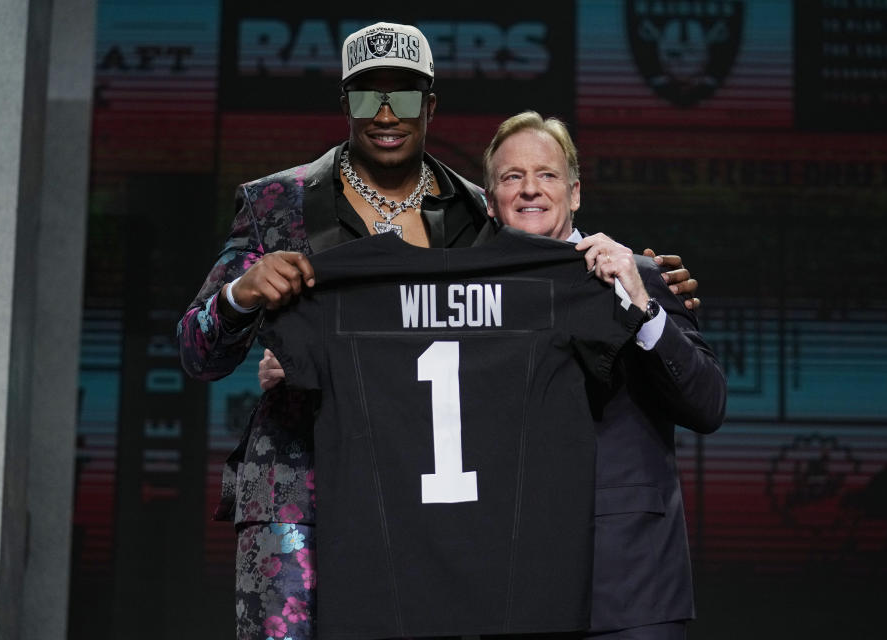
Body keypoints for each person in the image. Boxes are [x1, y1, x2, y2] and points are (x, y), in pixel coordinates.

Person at [179, 22, 699, 640]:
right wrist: (239, 298)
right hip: (300, 496)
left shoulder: (474, 210)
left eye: (404, 96)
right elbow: (197, 353)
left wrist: (647, 279)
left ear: (430, 104)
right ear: (345, 102)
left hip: (430, 502)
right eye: (369, 95)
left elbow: (545, 275)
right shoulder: (274, 205)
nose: (386, 114)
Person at [479, 112, 727, 639]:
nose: (529, 190)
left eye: (545, 175)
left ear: (573, 194)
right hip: (510, 586)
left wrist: (640, 301)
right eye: (511, 177)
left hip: (632, 587)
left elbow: (708, 406)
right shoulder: (469, 301)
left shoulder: (644, 278)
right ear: (489, 199)